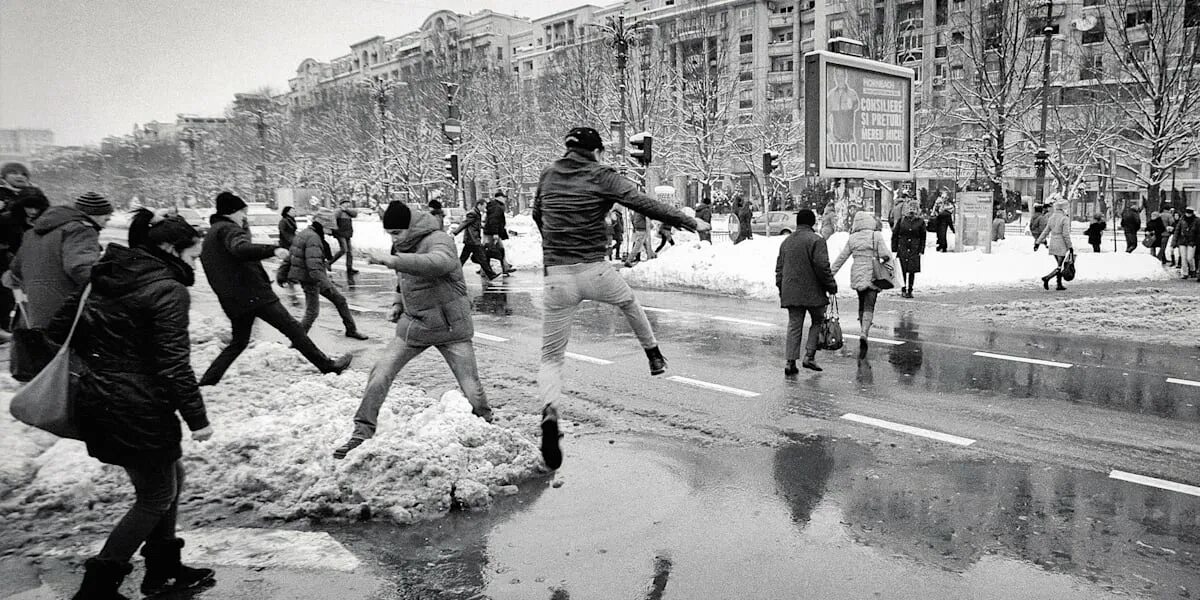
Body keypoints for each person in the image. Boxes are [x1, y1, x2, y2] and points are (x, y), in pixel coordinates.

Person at [55, 210, 216, 599]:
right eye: (193, 256)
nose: (196, 264)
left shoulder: (108, 274)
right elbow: (174, 363)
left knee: (169, 478)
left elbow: (61, 327)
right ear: (169, 249)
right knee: (156, 494)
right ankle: (97, 588)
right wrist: (198, 420)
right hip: (137, 404)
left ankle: (163, 568)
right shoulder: (167, 289)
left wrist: (108, 355)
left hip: (103, 397)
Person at [532, 126, 709, 470]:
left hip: (558, 276)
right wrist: (687, 221)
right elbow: (643, 202)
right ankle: (654, 355)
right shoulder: (602, 175)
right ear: (596, 151)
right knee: (628, 303)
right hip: (595, 271)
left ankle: (550, 412)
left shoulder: (548, 175)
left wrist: (554, 242)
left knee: (551, 357)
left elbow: (539, 215)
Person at [333, 202, 493, 459]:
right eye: (390, 234)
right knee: (379, 372)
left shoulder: (439, 239)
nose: (393, 239)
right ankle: (361, 432)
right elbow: (403, 279)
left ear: (410, 226)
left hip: (450, 326)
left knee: (470, 385)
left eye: (397, 233)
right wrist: (397, 303)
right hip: (416, 324)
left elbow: (438, 263)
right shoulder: (401, 245)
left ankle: (485, 424)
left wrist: (395, 260)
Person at [197, 192, 351, 386]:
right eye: (242, 212)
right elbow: (240, 248)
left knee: (239, 342)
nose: (244, 217)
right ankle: (328, 366)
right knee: (293, 329)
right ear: (231, 212)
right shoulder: (229, 230)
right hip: (255, 295)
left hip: (233, 299)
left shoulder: (212, 234)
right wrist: (272, 250)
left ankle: (208, 381)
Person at [10, 191, 111, 329]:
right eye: (106, 219)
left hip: (31, 312)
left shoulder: (32, 232)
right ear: (94, 215)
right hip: (63, 310)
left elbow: (15, 271)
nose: (106, 225)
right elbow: (80, 268)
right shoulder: (82, 230)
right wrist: (108, 288)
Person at [289, 208, 369, 340]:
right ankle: (298, 341)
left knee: (339, 301)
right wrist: (325, 283)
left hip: (309, 277)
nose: (331, 231)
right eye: (329, 227)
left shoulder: (305, 233)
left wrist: (283, 272)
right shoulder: (313, 238)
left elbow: (291, 255)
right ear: (323, 224)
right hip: (313, 279)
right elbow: (314, 267)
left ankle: (351, 329)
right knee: (313, 312)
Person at [776, 209, 838, 374]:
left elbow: (779, 270)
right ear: (812, 223)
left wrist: (782, 288)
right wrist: (831, 286)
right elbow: (822, 267)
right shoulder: (816, 241)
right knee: (818, 320)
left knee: (794, 325)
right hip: (813, 292)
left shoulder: (786, 242)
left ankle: (790, 362)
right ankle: (809, 356)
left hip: (791, 291)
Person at [831, 211, 894, 359]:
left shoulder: (852, 238)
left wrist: (829, 274)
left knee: (861, 303)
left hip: (857, 274)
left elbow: (842, 258)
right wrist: (886, 263)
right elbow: (886, 255)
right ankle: (864, 332)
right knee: (870, 305)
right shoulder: (876, 235)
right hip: (873, 274)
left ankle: (862, 330)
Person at [0, 184, 48, 332]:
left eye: (37, 207)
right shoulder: (5, 220)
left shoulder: (45, 221)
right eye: (29, 207)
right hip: (6, 265)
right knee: (6, 298)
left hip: (33, 266)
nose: (33, 211)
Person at [453, 199, 500, 280]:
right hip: (473, 240)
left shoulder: (476, 213)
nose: (485, 208)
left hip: (472, 240)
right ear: (479, 205)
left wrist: (484, 226)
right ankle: (491, 274)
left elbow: (475, 225)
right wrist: (455, 232)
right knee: (482, 258)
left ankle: (454, 273)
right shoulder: (473, 213)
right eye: (484, 206)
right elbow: (465, 223)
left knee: (464, 258)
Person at [891, 200, 927, 298]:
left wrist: (921, 249)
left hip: (914, 248)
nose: (912, 210)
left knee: (911, 270)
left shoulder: (920, 221)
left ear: (917, 210)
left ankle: (910, 289)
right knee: (902, 269)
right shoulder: (902, 220)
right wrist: (894, 248)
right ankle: (903, 289)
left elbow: (923, 236)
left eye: (914, 208)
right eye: (910, 208)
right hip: (902, 247)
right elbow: (895, 234)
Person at [1035, 201, 1074, 290]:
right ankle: (1047, 278)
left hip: (1053, 243)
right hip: (1061, 244)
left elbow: (1045, 231)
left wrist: (1038, 242)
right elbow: (1065, 234)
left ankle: (1059, 284)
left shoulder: (1052, 218)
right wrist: (1070, 246)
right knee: (1060, 266)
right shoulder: (1064, 219)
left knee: (1059, 265)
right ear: (1063, 208)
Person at [483, 191, 514, 275]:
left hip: (492, 232)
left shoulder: (495, 205)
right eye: (504, 197)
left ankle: (505, 267)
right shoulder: (497, 207)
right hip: (492, 233)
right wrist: (495, 233)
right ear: (499, 197)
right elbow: (494, 220)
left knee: (498, 250)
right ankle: (485, 270)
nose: (505, 199)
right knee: (488, 251)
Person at [329, 200, 359, 285]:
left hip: (347, 233)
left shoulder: (348, 211)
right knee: (344, 249)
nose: (347, 205)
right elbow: (332, 219)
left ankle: (349, 268)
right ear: (341, 204)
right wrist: (334, 229)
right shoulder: (338, 211)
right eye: (345, 203)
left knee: (349, 251)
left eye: (348, 203)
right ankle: (329, 263)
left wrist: (346, 210)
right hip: (340, 233)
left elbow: (355, 214)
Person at [1176, 207, 1199, 279]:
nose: (1188, 214)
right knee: (1183, 258)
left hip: (1192, 241)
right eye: (1187, 212)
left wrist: (1197, 241)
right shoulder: (1182, 220)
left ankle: (1193, 270)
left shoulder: (1197, 221)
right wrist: (1174, 241)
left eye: (1189, 213)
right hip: (1182, 241)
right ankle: (1185, 273)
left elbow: (1198, 232)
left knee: (1190, 258)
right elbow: (1177, 230)